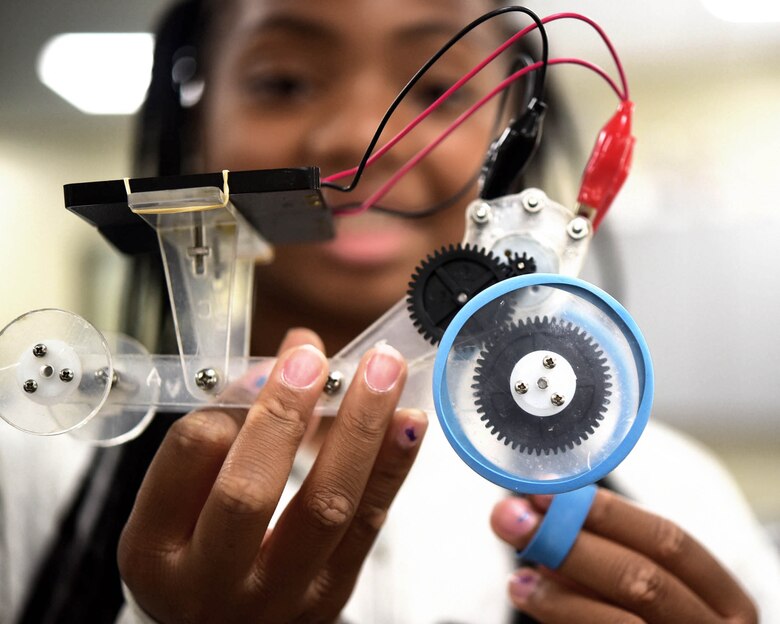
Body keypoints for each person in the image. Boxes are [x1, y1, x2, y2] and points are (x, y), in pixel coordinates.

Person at [8, 0, 780, 623]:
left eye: (439, 87)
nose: (359, 137)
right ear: (191, 124)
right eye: (282, 82)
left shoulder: (678, 495)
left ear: (508, 128)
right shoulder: (30, 479)